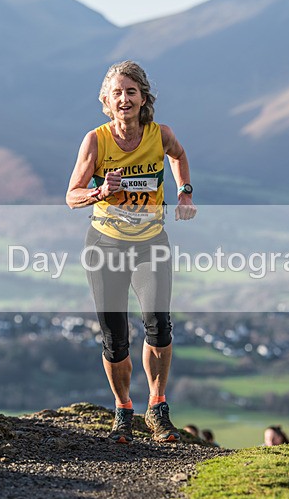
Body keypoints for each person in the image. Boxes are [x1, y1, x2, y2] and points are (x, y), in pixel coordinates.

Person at [66, 60, 197, 444]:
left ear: (143, 98)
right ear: (106, 101)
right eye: (117, 93)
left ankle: (157, 407)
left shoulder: (160, 135)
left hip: (150, 243)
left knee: (158, 325)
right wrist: (99, 192)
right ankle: (124, 409)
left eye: (131, 91)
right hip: (106, 245)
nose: (124, 99)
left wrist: (184, 193)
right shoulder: (96, 141)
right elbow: (71, 195)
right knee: (115, 337)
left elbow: (179, 155)